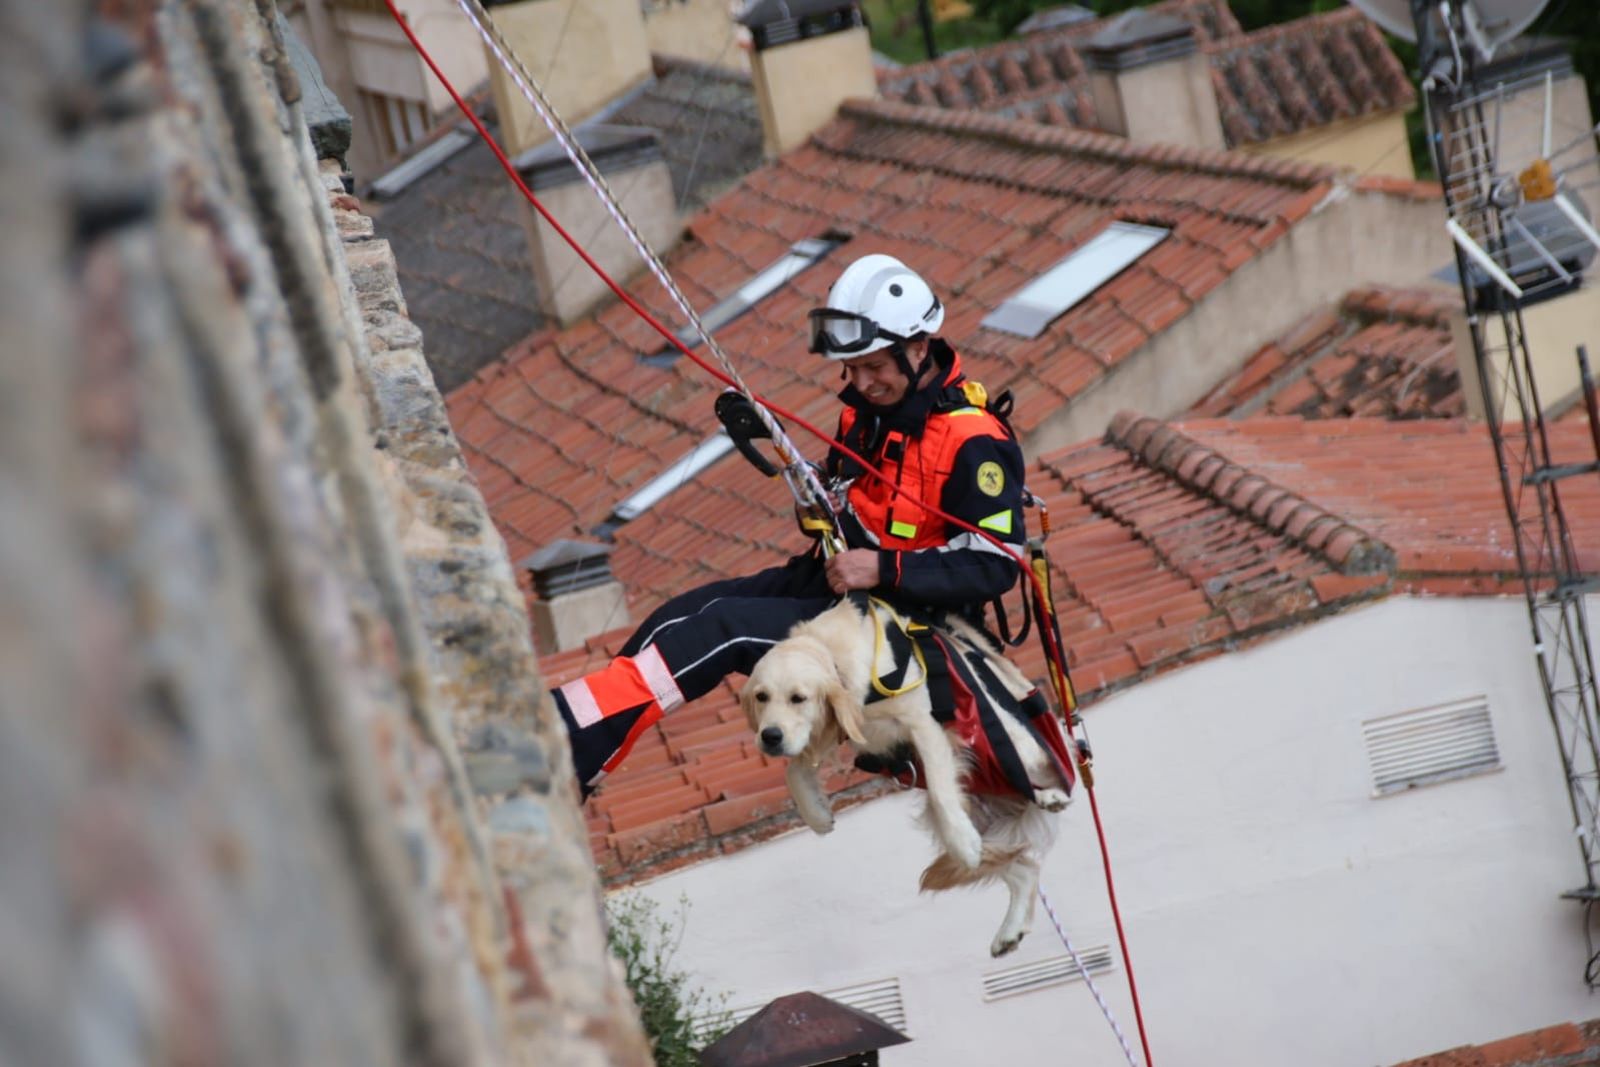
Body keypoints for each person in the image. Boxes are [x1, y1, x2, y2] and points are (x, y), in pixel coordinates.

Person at [552, 253, 1029, 795]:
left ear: (919, 348)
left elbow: (995, 563)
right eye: (852, 369)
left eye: (876, 367)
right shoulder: (865, 415)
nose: (862, 382)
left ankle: (563, 749)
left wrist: (882, 567)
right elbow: (852, 498)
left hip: (908, 629)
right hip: (843, 588)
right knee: (685, 612)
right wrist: (817, 503)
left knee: (722, 631)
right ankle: (583, 740)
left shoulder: (974, 441)